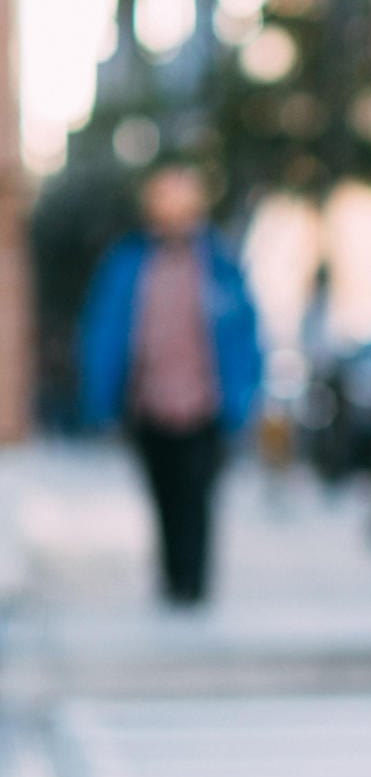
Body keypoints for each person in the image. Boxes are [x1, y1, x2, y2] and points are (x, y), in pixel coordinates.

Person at [78, 162, 263, 605]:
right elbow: (102, 331)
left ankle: (193, 584)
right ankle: (171, 577)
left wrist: (244, 397)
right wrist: (101, 397)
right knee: (162, 494)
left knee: (197, 495)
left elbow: (246, 334)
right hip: (148, 403)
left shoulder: (219, 264)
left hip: (205, 405)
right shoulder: (127, 263)